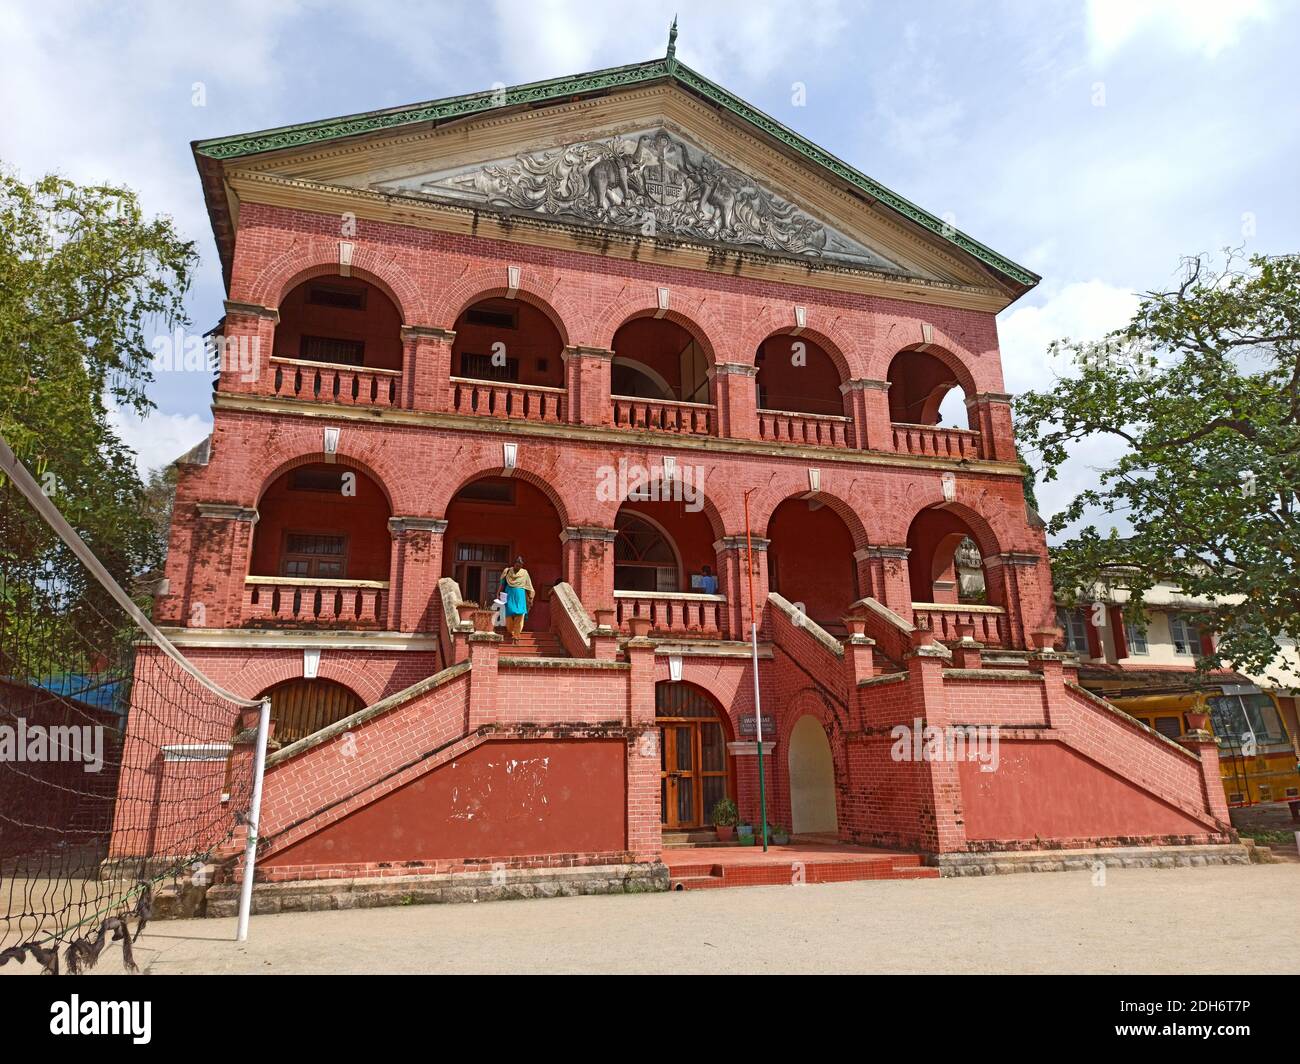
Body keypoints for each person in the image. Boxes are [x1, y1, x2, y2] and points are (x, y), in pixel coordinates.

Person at [499, 556, 535, 640]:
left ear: (522, 565)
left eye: (520, 565)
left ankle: (517, 634)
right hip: (509, 594)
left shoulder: (525, 573)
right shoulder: (507, 571)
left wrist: (530, 597)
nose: (518, 567)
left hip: (520, 595)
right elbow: (502, 584)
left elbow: (529, 586)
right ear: (514, 564)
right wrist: (498, 593)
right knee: (509, 613)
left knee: (520, 613)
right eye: (517, 565)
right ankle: (510, 630)